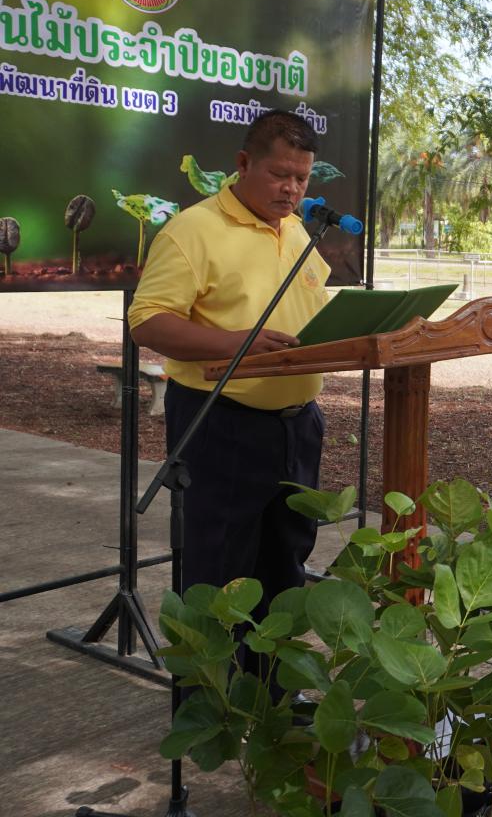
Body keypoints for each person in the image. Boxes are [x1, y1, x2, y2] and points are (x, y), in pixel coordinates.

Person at [129, 110, 331, 688]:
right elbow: (147, 323)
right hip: (221, 421)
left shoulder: (297, 232)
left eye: (302, 178)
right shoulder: (194, 229)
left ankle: (268, 702)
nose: (291, 189)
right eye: (278, 174)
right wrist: (235, 342)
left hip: (298, 426)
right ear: (243, 164)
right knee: (218, 573)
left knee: (285, 569)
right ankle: (206, 707)